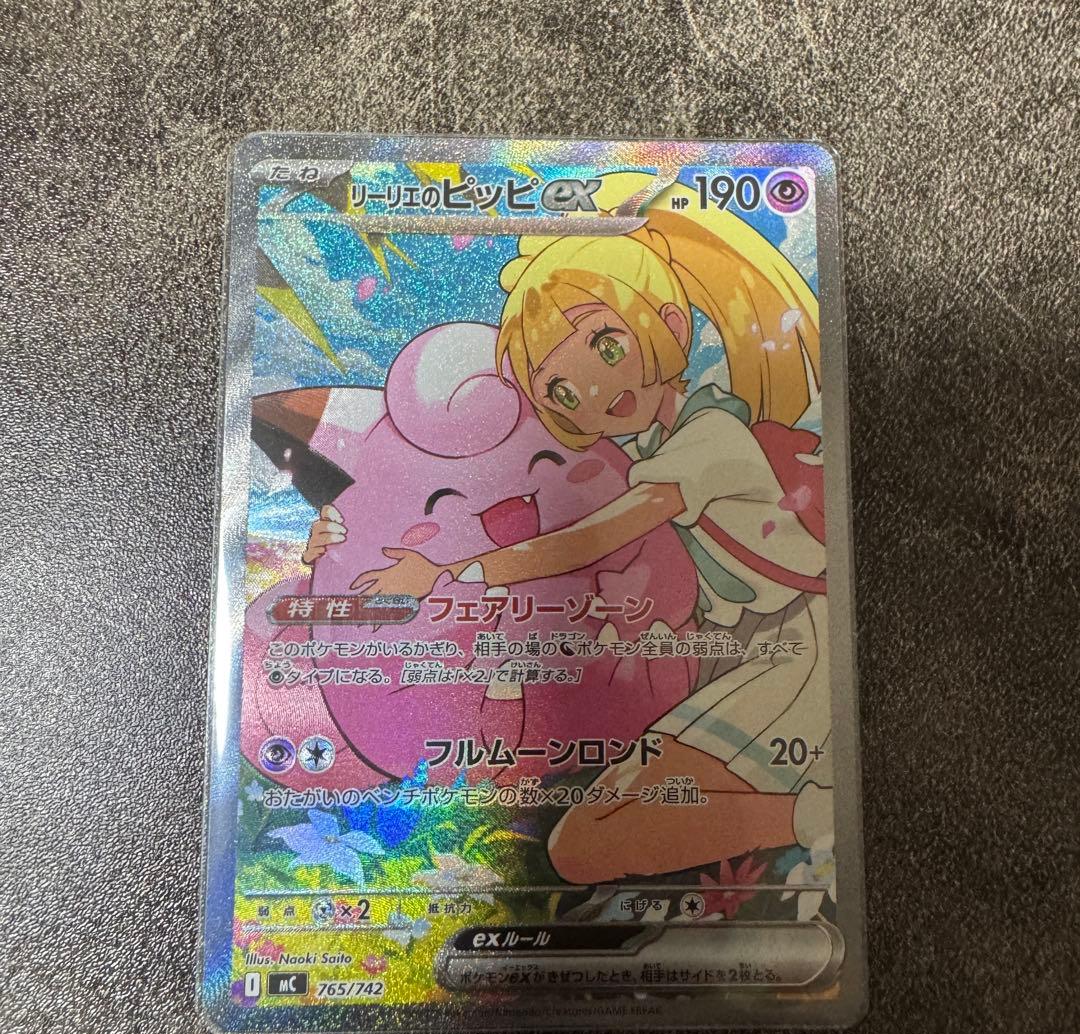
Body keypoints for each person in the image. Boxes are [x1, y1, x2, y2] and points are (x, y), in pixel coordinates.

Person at [321, 181, 835, 882]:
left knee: (587, 845)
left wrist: (452, 573)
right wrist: (336, 531)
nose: (593, 392)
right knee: (583, 843)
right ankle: (808, 817)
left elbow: (593, 539)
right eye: (563, 390)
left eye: (606, 344)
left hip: (795, 652)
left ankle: (819, 818)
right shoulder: (643, 449)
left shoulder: (711, 437)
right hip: (730, 653)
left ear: (669, 325)